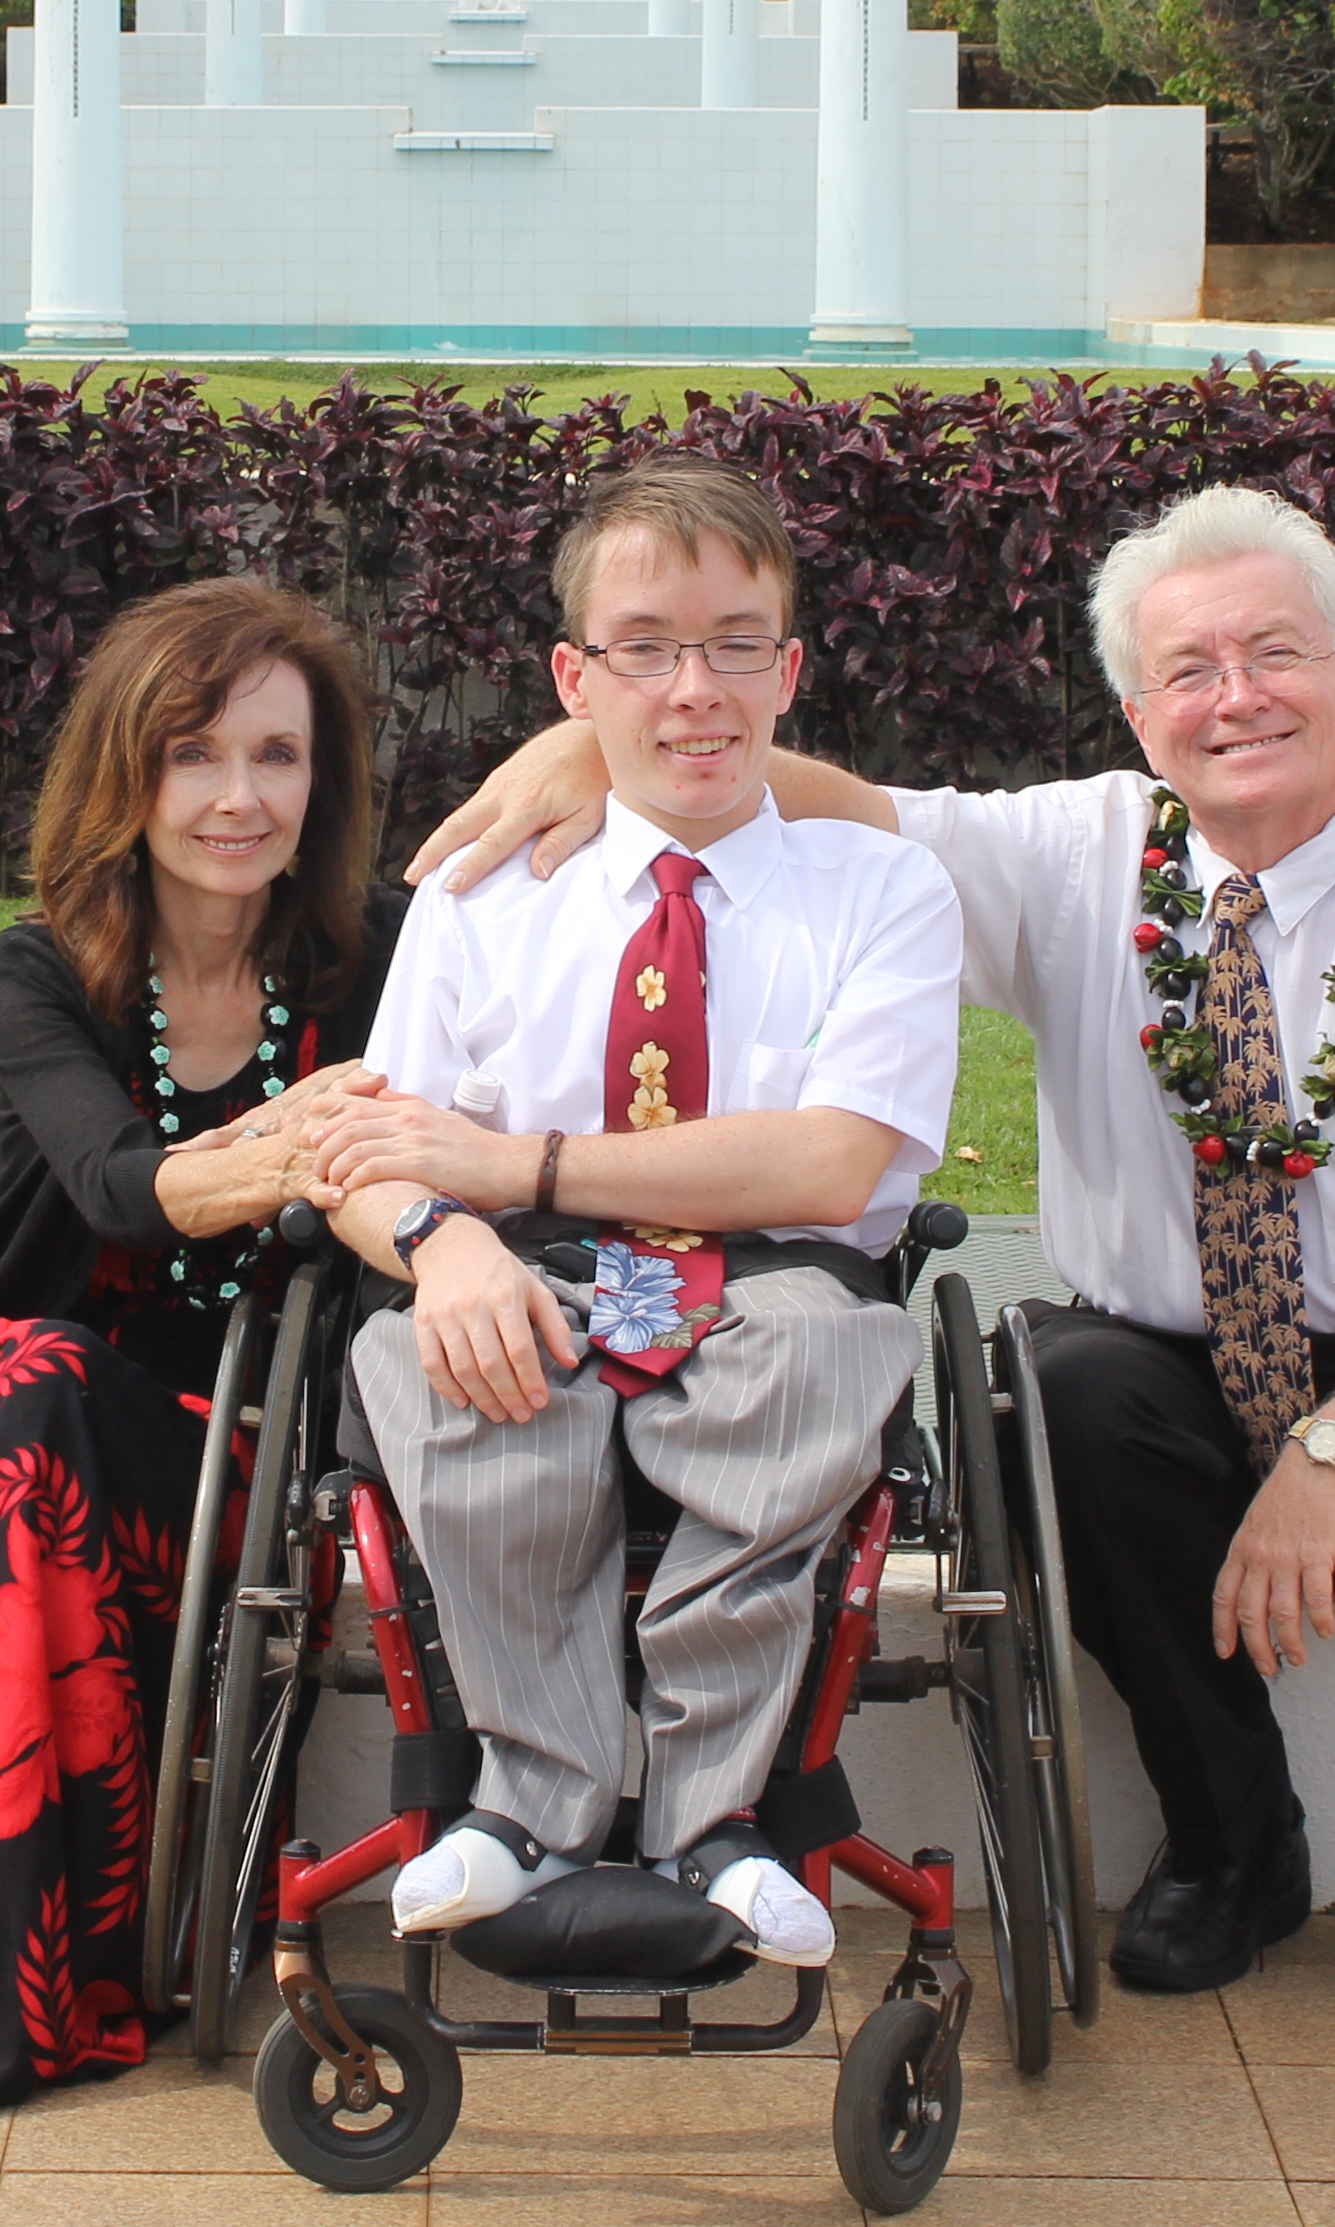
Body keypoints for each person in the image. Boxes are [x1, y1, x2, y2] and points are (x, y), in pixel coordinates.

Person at [409, 484, 1335, 2015]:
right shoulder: (1079, 856)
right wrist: (589, 733)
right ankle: (1231, 1850)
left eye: (1276, 655)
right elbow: (789, 787)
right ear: (1138, 711)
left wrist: (1332, 1454)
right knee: (1064, 1397)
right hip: (1163, 1385)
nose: (1236, 698)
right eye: (1190, 671)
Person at [298, 456, 963, 1972]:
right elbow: (371, 1147)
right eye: (646, 647)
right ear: (572, 680)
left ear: (789, 670)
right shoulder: (482, 896)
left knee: (811, 1360)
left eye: (736, 644)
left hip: (770, 1272)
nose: (695, 690)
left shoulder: (884, 892)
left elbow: (829, 1169)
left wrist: (514, 1167)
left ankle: (720, 1816)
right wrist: (442, 1239)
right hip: (523, 1266)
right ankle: (529, 1798)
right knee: (436, 1358)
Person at [0, 576, 403, 2111]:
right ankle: (1, 1991)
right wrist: (313, 1133)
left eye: (277, 754)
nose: (238, 797)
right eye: (194, 754)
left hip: (240, 1424)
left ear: (324, 782)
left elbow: (587, 782)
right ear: (127, 770)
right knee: (46, 1382)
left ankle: (54, 1964)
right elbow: (124, 1189)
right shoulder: (39, 969)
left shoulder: (375, 953)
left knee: (65, 1414)